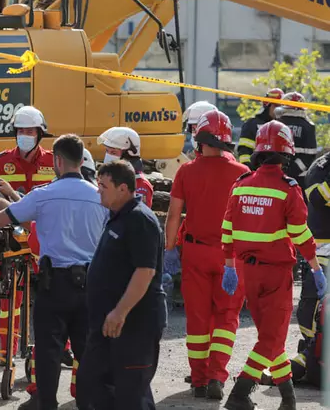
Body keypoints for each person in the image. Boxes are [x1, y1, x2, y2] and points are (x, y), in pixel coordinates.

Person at [0, 134, 108, 410]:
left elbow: (5, 217)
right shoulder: (99, 196)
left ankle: (45, 403)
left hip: (54, 285)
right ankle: (87, 403)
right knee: (87, 350)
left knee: (49, 350)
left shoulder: (44, 195)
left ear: (58, 162)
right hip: (91, 285)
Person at [220, 120, 327, 410]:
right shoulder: (287, 189)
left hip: (246, 272)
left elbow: (227, 229)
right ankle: (240, 393)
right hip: (276, 273)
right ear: (287, 154)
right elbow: (302, 236)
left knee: (271, 338)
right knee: (272, 337)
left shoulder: (240, 186)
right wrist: (316, 268)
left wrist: (229, 266)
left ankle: (288, 398)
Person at [164, 110, 250, 400]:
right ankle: (217, 375)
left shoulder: (186, 171)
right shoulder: (242, 173)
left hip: (196, 254)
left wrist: (169, 249)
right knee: (227, 318)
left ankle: (199, 380)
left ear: (199, 139)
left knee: (198, 319)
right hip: (231, 257)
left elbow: (174, 215)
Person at [77, 160, 167, 410]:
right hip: (108, 325)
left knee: (131, 395)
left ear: (123, 189)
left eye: (103, 186)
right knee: (91, 384)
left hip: (133, 325)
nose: (98, 190)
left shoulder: (140, 220)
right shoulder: (117, 217)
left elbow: (145, 271)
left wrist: (120, 311)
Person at [0, 105, 56, 361]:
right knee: (9, 302)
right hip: (11, 242)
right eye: (20, 131)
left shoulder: (53, 161)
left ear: (39, 134)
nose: (25, 135)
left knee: (57, 296)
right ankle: (8, 351)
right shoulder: (1, 162)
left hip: (44, 241)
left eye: (30, 131)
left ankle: (62, 350)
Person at [295, 150, 330, 354]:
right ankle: (311, 351)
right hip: (322, 251)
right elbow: (316, 197)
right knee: (312, 305)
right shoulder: (320, 167)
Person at [97, 126, 153, 208]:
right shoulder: (104, 179)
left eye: (113, 152)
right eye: (107, 151)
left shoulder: (141, 185)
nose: (108, 156)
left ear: (127, 155)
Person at [276, 91, 318, 190]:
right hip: (300, 179)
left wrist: (283, 171)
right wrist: (292, 171)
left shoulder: (276, 124)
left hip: (277, 175)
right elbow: (310, 155)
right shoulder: (309, 126)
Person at [236, 87, 284, 167]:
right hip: (256, 173)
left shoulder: (281, 126)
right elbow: (244, 151)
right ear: (267, 105)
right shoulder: (251, 125)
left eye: (282, 108)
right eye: (277, 106)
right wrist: (249, 170)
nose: (279, 111)